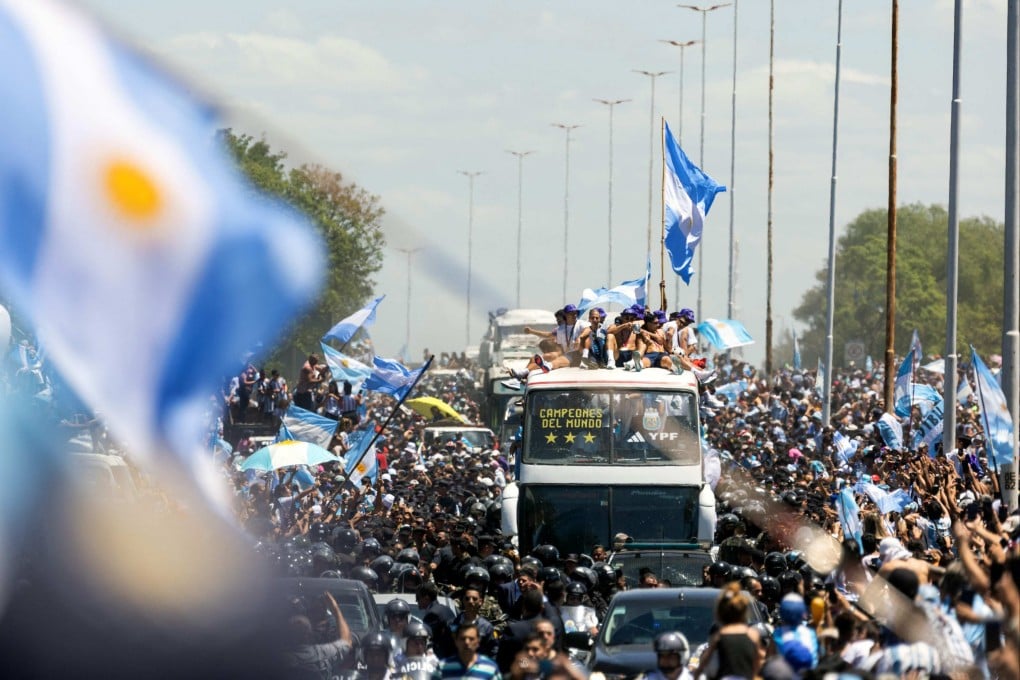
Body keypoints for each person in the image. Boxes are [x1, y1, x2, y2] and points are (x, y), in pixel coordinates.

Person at [692, 584, 761, 680]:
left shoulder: (720, 635)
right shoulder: (753, 634)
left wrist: (696, 674)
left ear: (721, 613)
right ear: (744, 612)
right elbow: (757, 661)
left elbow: (704, 661)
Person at [284, 590, 353, 680]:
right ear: (308, 635)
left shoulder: (276, 659)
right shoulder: (323, 653)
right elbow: (347, 642)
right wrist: (335, 609)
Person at [432, 623, 501, 680]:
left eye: (471, 639)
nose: (467, 642)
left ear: (478, 641)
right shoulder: (443, 667)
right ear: (456, 641)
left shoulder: (490, 668)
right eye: (462, 638)